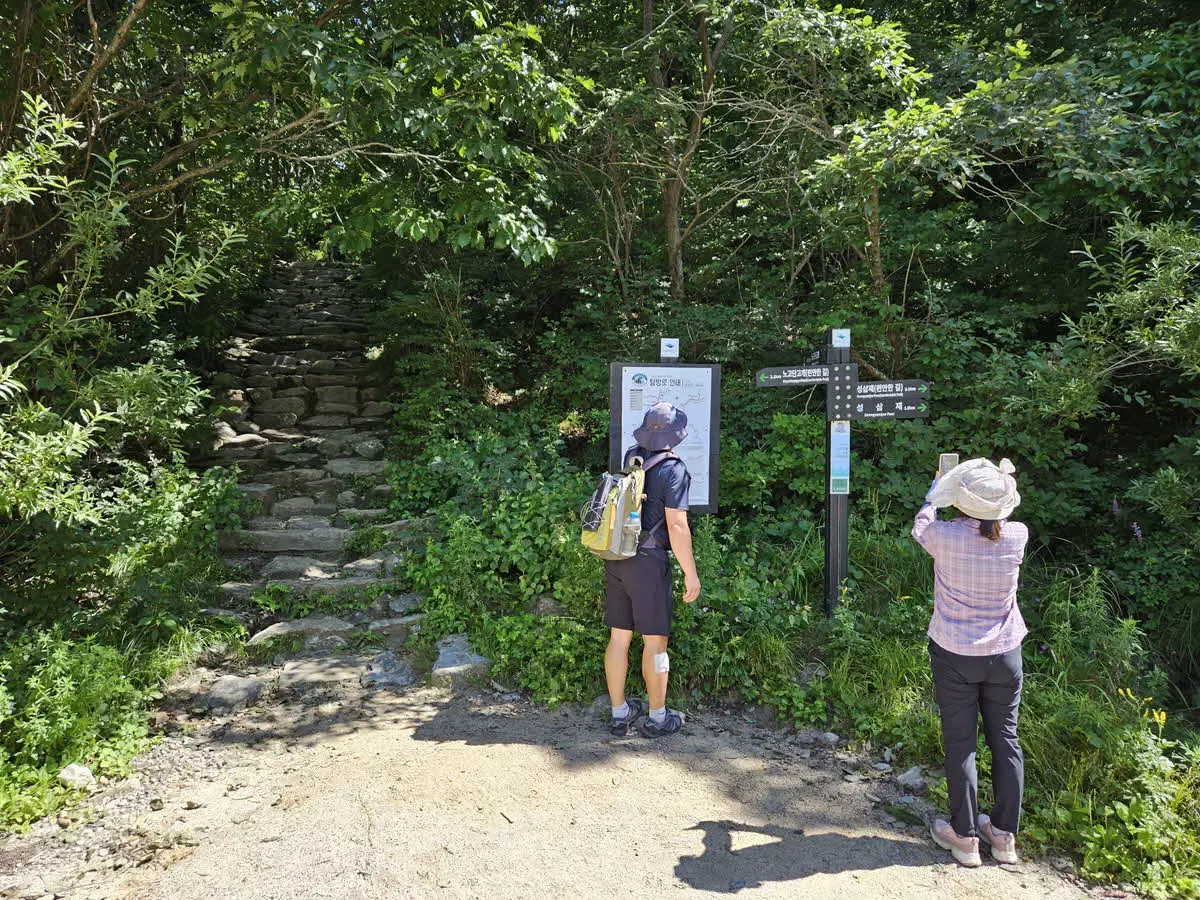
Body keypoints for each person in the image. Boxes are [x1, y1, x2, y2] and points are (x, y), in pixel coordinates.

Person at [912, 457, 1028, 868]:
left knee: (962, 744)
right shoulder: (1017, 535)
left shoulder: (943, 536)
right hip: (1004, 654)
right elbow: (991, 524)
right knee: (1006, 740)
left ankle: (964, 839)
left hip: (955, 653)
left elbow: (921, 522)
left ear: (961, 501)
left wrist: (937, 486)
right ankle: (1003, 836)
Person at [605, 402, 702, 738]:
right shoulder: (673, 469)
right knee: (655, 642)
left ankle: (620, 714)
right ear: (674, 435)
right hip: (648, 562)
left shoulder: (633, 456)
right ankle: (658, 718)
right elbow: (677, 526)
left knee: (619, 637)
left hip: (618, 555)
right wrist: (691, 573)